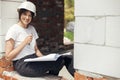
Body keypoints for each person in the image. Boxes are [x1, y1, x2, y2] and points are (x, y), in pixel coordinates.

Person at [5, 1, 75, 80]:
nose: (27, 18)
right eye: (24, 14)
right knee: (57, 62)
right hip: (22, 64)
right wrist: (24, 42)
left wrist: (46, 58)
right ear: (20, 14)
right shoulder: (13, 30)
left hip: (34, 59)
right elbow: (8, 57)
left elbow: (36, 50)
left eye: (30, 15)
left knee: (66, 58)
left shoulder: (31, 29)